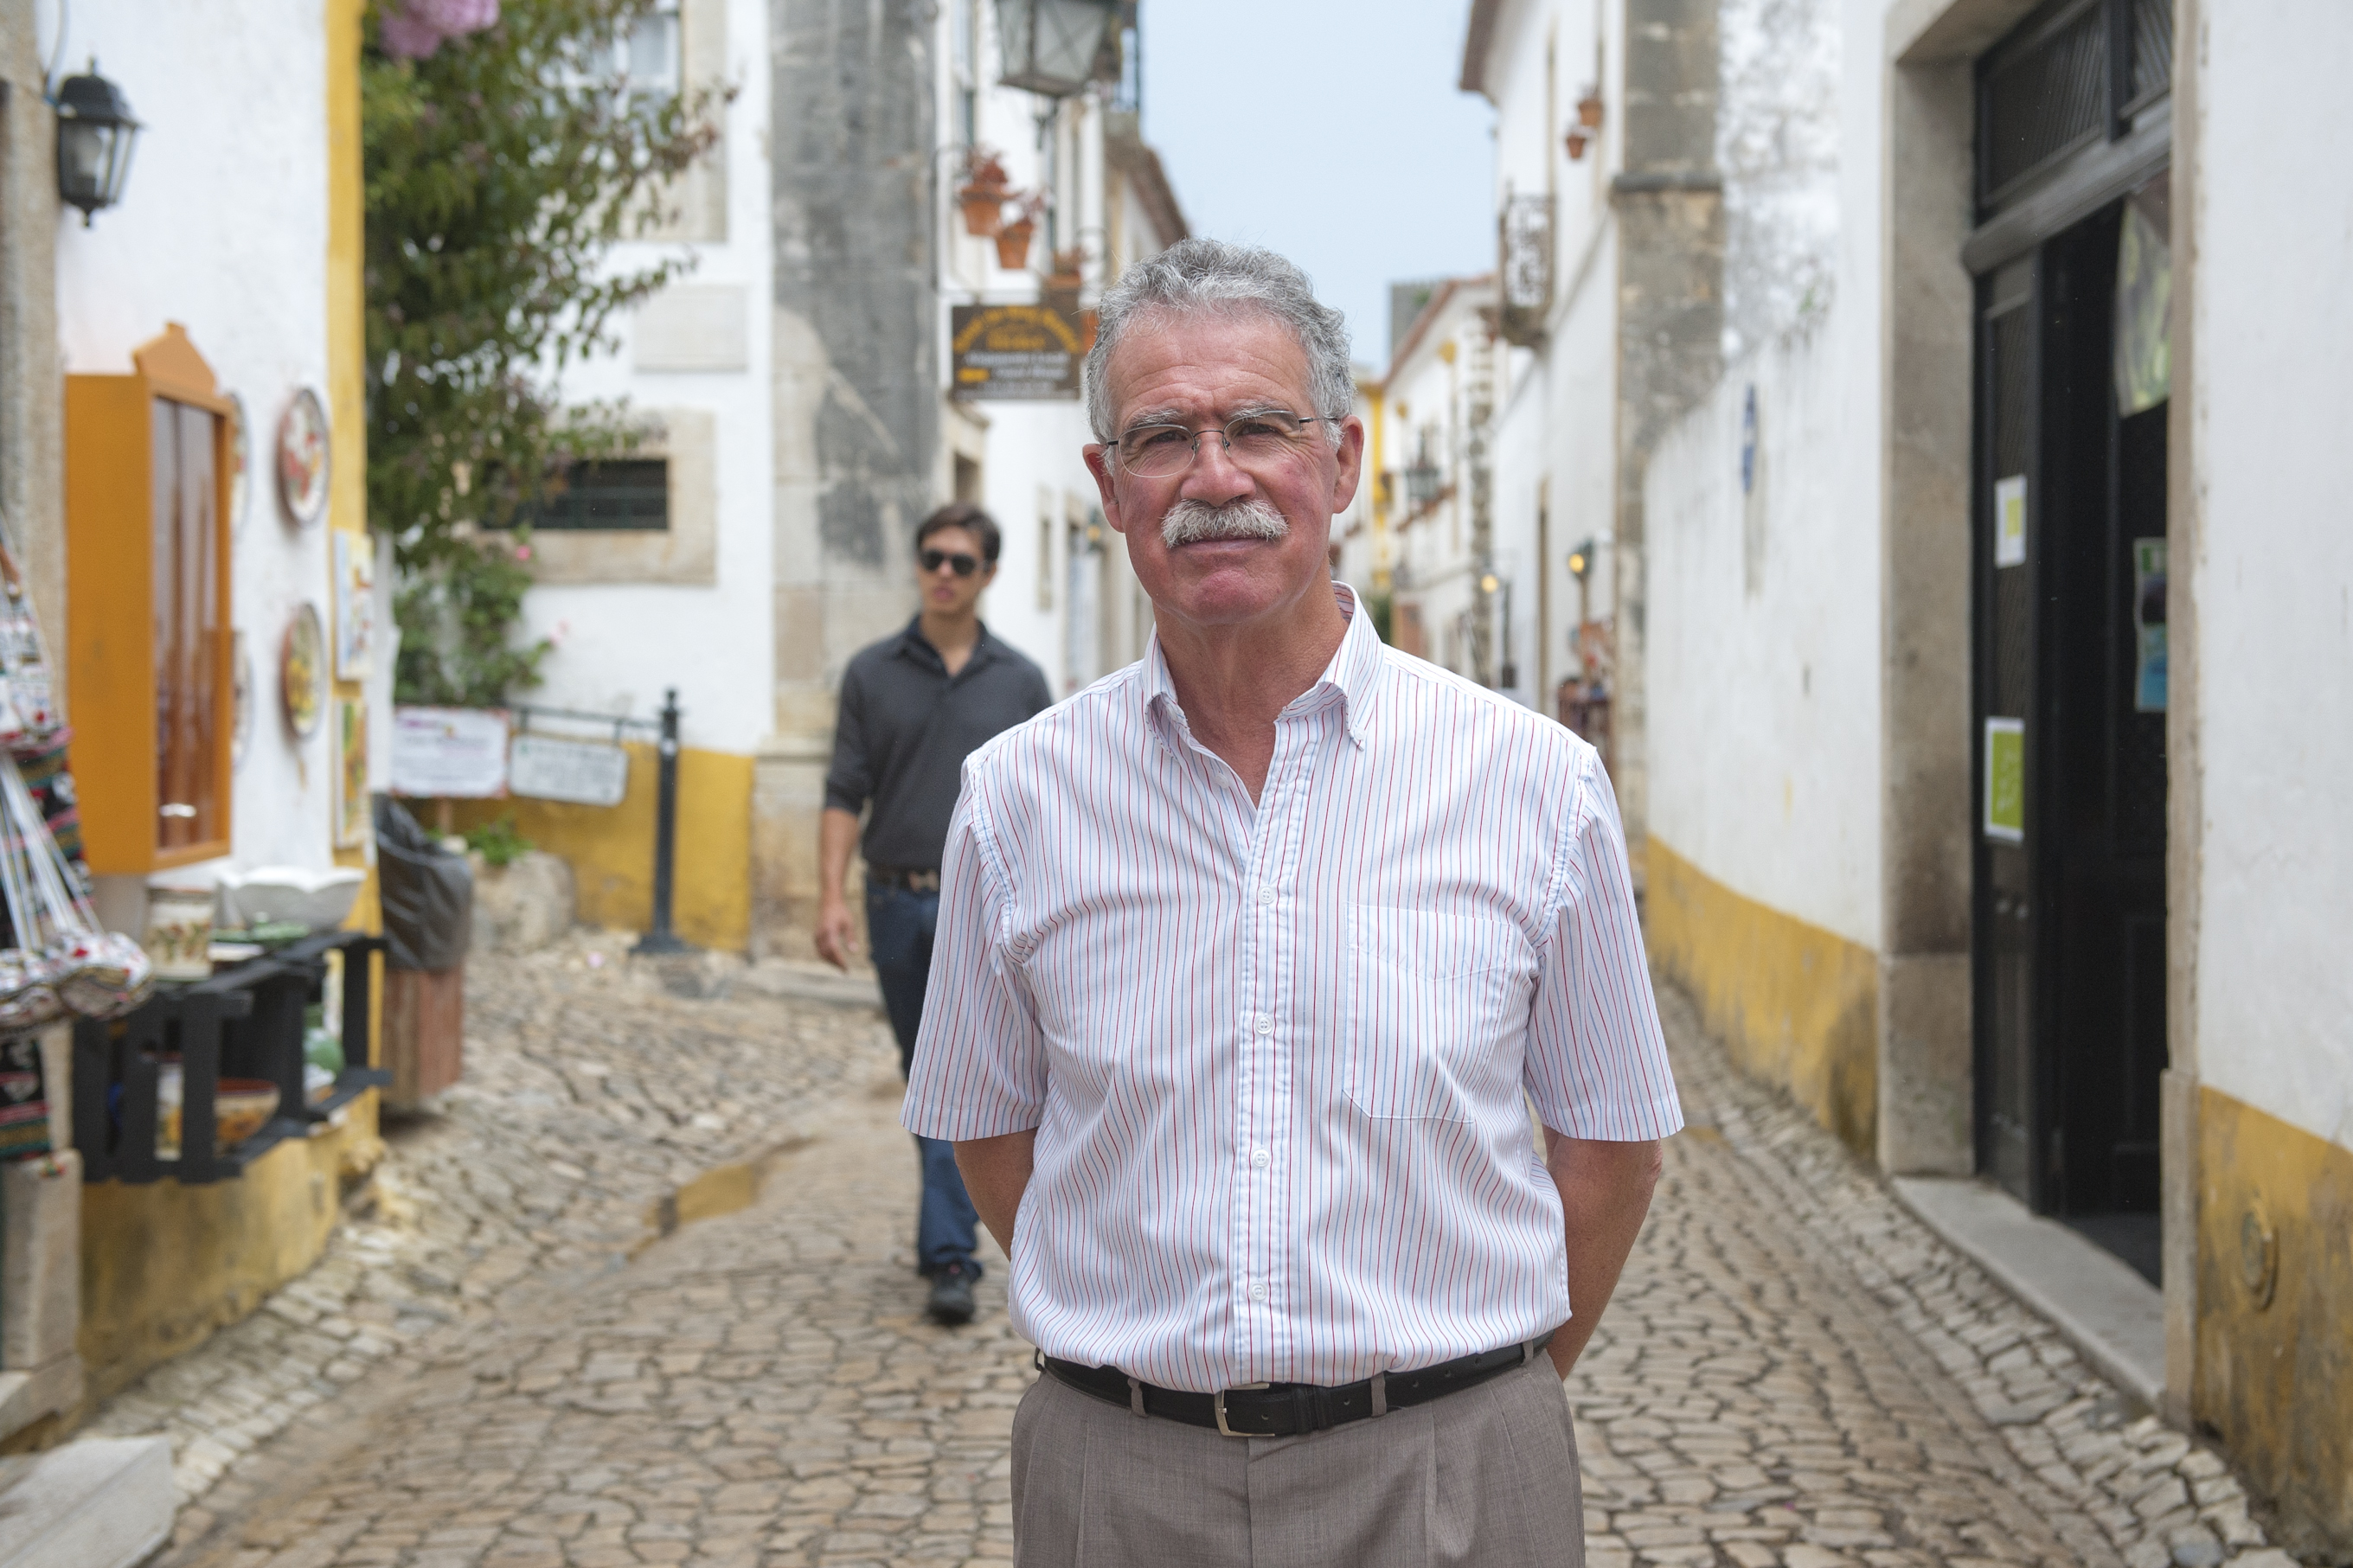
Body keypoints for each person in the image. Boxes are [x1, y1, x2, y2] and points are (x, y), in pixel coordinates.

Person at [904, 239, 1683, 1565]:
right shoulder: (1018, 797)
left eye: (1259, 425)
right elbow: (991, 1132)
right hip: (1119, 1479)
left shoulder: (1535, 784)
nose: (1216, 478)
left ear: (1341, 461)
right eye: (1162, 437)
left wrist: (1464, 1398)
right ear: (1106, 484)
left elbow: (1610, 1147)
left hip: (1449, 1471)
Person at [817, 501, 1053, 1326]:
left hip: (985, 913)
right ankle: (953, 1240)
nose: (943, 573)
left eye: (960, 561)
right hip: (896, 900)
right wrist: (827, 898)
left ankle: (951, 1253)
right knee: (927, 1075)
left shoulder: (1021, 681)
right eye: (931, 558)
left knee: (962, 1079)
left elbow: (1044, 804)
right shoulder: (871, 673)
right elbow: (845, 789)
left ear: (988, 573)